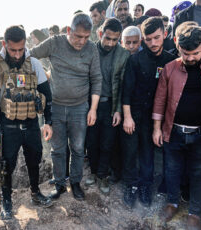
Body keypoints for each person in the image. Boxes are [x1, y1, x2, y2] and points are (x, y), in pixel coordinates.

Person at [0, 25, 53, 220]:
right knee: (6, 165)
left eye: (21, 49)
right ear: (5, 44)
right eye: (12, 50)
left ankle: (35, 192)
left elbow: (46, 94)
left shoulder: (34, 64)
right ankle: (6, 202)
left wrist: (48, 122)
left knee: (34, 160)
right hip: (8, 127)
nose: (17, 54)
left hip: (31, 124)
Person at [30, 13, 102, 201]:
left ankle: (76, 182)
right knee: (58, 148)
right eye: (78, 36)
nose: (82, 41)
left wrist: (93, 109)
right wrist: (42, 75)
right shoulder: (55, 42)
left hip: (80, 108)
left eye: (86, 37)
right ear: (69, 30)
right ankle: (60, 183)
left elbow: (96, 79)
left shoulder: (92, 49)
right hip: (55, 107)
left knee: (78, 148)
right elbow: (30, 55)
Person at [153, 25, 201, 230]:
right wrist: (157, 128)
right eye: (186, 54)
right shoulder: (170, 68)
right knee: (172, 170)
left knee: (199, 172)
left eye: (196, 53)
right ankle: (172, 202)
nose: (191, 58)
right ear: (177, 46)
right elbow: (160, 101)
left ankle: (194, 212)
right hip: (174, 131)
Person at [122, 17, 176, 208]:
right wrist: (127, 117)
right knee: (129, 151)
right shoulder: (135, 60)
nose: (153, 43)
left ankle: (145, 186)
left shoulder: (171, 61)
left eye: (157, 37)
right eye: (149, 39)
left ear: (165, 35)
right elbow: (126, 91)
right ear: (143, 39)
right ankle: (130, 186)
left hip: (156, 117)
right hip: (134, 113)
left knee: (147, 152)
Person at [85, 18, 130, 194]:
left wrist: (119, 110)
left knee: (107, 143)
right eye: (107, 38)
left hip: (111, 106)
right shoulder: (90, 50)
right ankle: (94, 172)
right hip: (90, 105)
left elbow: (122, 85)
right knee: (91, 141)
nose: (110, 43)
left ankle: (103, 175)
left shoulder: (123, 54)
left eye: (115, 39)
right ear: (100, 33)